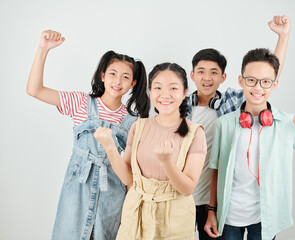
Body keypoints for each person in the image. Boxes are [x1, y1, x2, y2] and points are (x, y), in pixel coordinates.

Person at [26, 30, 150, 240]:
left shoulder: (135, 123)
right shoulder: (80, 103)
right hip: (76, 195)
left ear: (133, 84)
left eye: (125, 77)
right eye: (112, 73)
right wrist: (43, 49)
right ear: (102, 75)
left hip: (111, 199)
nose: (117, 81)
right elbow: (34, 90)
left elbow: (130, 175)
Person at [204, 48, 295, 240]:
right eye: (251, 80)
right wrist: (212, 210)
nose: (258, 87)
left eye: (265, 82)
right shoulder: (224, 124)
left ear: (275, 84)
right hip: (228, 215)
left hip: (265, 218)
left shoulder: (286, 123)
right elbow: (216, 170)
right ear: (241, 80)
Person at [187, 16, 291, 239]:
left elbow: (267, 77)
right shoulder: (180, 107)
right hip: (185, 196)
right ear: (192, 75)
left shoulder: (232, 101)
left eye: (214, 72)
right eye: (201, 71)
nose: (207, 78)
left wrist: (283, 37)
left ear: (223, 77)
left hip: (217, 200)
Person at [94, 62, 207, 240]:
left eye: (173, 88)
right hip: (135, 215)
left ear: (185, 92)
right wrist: (110, 147)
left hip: (175, 220)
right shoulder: (138, 126)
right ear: (150, 91)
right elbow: (127, 178)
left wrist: (167, 162)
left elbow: (187, 189)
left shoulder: (195, 133)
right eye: (158, 88)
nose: (165, 95)